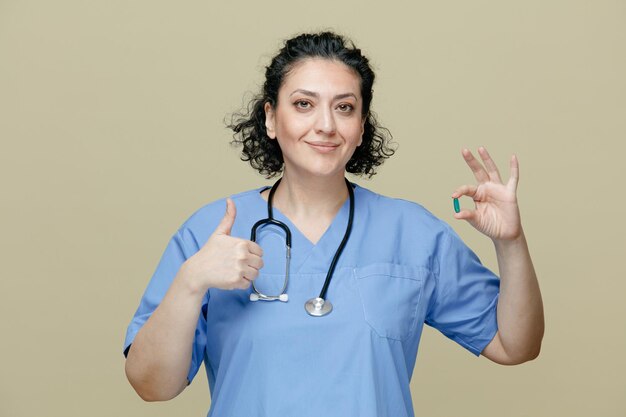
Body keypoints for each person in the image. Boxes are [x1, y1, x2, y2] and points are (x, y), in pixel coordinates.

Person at [123, 31, 544, 417]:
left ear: (361, 128)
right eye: (303, 104)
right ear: (270, 118)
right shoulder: (213, 230)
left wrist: (511, 242)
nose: (326, 125)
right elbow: (150, 385)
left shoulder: (414, 233)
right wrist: (191, 281)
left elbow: (515, 345)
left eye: (344, 108)